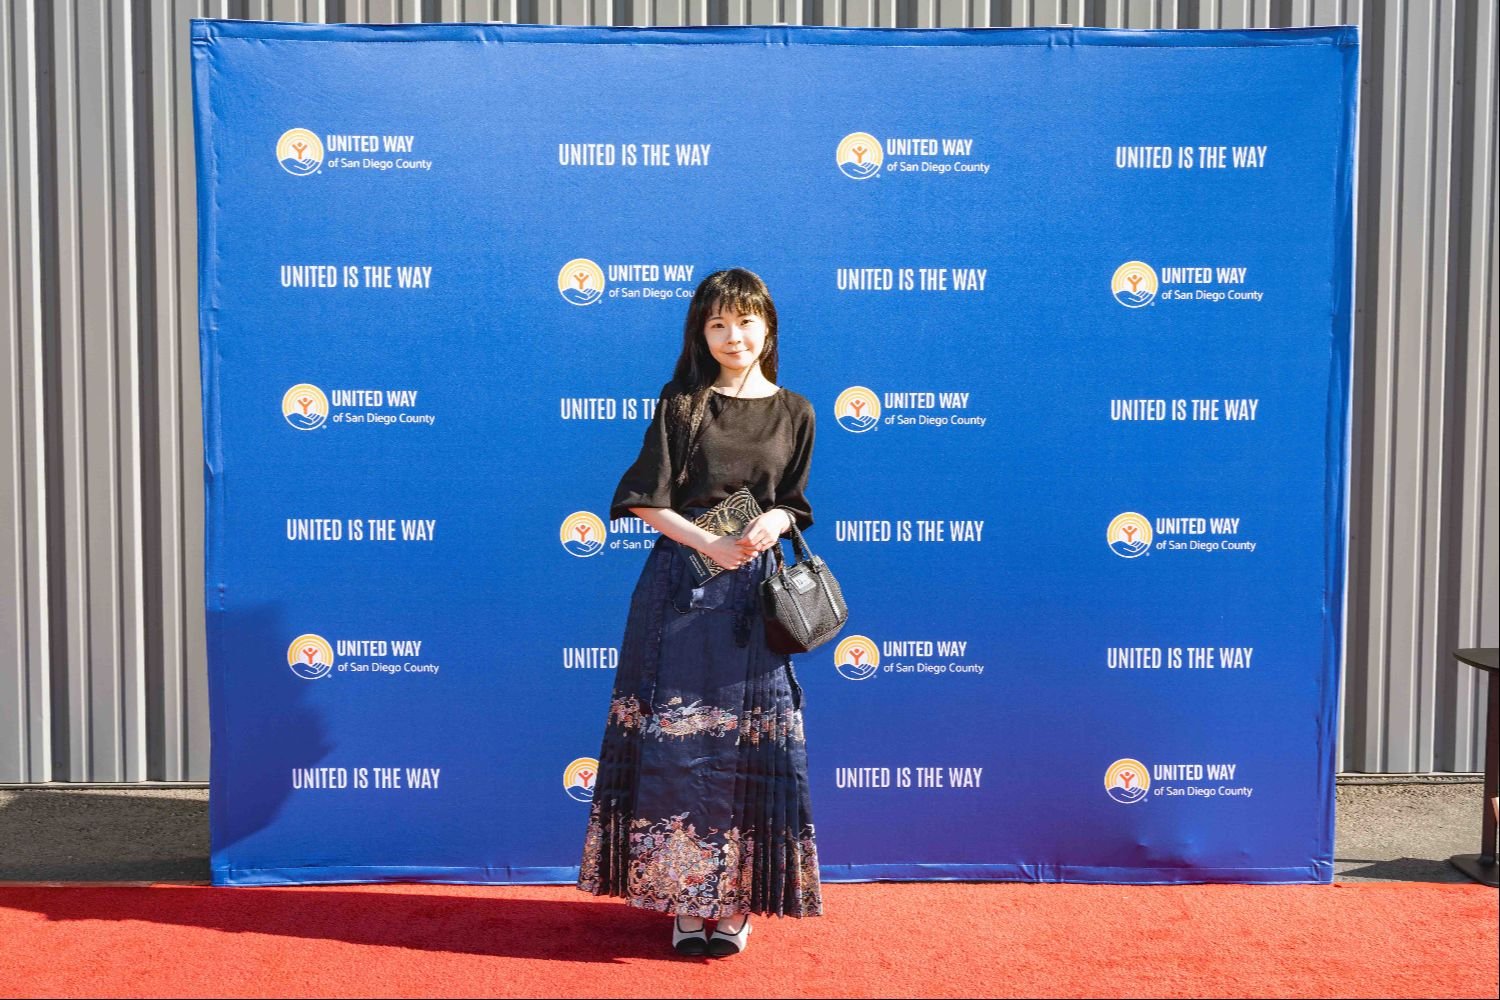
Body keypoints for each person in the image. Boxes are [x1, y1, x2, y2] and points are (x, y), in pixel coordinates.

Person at [576, 268, 823, 957]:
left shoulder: (797, 411)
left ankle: (737, 899)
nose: (732, 336)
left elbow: (795, 501)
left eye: (745, 321)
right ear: (701, 333)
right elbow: (642, 499)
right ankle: (685, 899)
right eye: (718, 324)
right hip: (681, 588)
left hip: (755, 595)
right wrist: (708, 541)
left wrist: (775, 520)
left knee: (748, 745)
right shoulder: (681, 403)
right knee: (677, 745)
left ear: (767, 327)